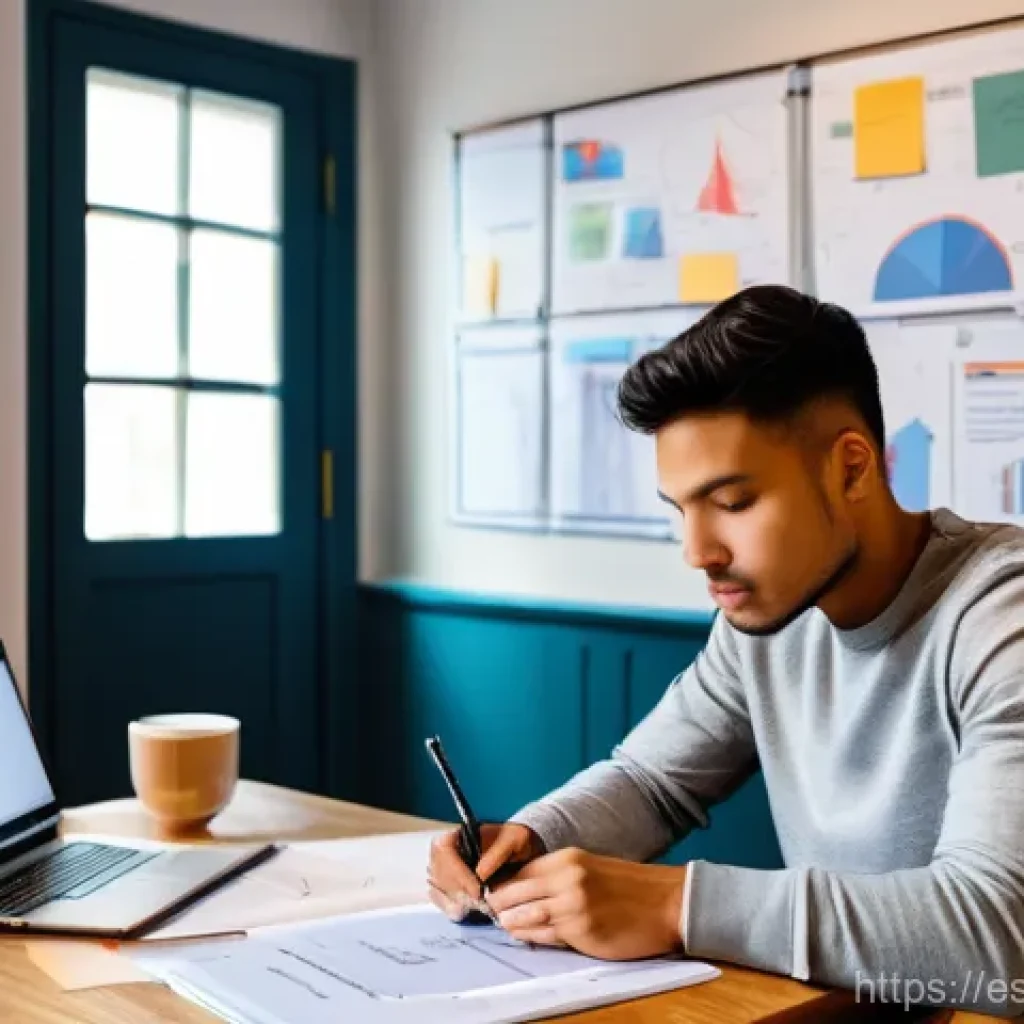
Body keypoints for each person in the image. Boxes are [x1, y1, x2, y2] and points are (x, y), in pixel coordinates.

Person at [427, 284, 1024, 1017]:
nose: (697, 552)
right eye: (681, 510)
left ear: (853, 467)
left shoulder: (1002, 612)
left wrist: (681, 906)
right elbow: (651, 782)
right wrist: (531, 837)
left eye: (734, 503)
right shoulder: (769, 615)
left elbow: (1000, 936)